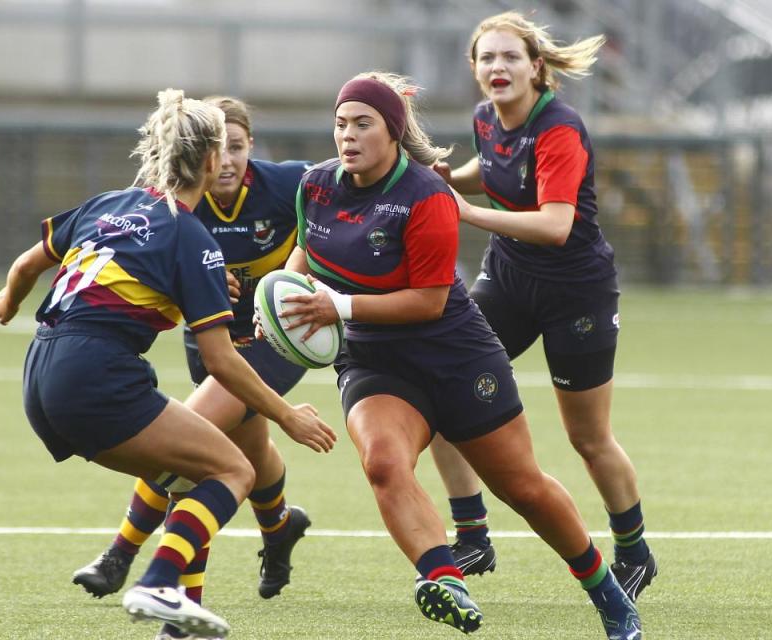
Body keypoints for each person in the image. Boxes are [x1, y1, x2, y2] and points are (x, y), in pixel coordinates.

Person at [277, 71, 641, 639]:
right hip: (374, 359)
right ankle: (445, 579)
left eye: (363, 124)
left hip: (455, 354)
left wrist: (338, 307)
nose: (347, 136)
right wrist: (277, 298)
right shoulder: (315, 186)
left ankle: (607, 592)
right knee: (383, 463)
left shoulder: (425, 195)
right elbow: (306, 251)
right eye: (340, 124)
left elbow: (427, 302)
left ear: (393, 132)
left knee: (522, 487)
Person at [0, 89, 336, 638]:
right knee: (233, 471)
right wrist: (288, 416)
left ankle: (177, 624)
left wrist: (9, 300)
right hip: (95, 375)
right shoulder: (190, 234)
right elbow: (222, 360)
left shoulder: (107, 203)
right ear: (205, 160)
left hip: (39, 372)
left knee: (186, 475)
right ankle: (158, 581)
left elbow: (28, 263)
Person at [430, 11, 657, 602]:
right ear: (475, 69)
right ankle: (472, 533)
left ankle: (633, 549)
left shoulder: (559, 127)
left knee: (587, 437)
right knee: (438, 385)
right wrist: (449, 179)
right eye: (487, 58)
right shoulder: (486, 119)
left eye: (510, 57)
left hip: (575, 292)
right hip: (509, 280)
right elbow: (493, 168)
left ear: (536, 68)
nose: (497, 67)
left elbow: (557, 226)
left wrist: (468, 213)